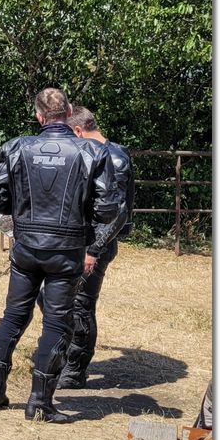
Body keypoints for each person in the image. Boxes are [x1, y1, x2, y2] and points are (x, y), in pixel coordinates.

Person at [0, 88, 120, 423]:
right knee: (57, 321)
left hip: (27, 246)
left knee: (13, 315)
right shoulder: (91, 151)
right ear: (68, 111)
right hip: (66, 249)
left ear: (39, 116)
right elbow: (109, 208)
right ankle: (40, 401)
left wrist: (23, 218)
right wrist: (89, 239)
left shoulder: (16, 148)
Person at [58, 106, 134, 389]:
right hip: (80, 241)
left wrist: (94, 250)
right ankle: (66, 355)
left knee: (81, 305)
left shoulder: (114, 159)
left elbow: (117, 213)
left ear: (78, 131)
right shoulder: (101, 153)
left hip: (94, 246)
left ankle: (75, 369)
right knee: (60, 300)